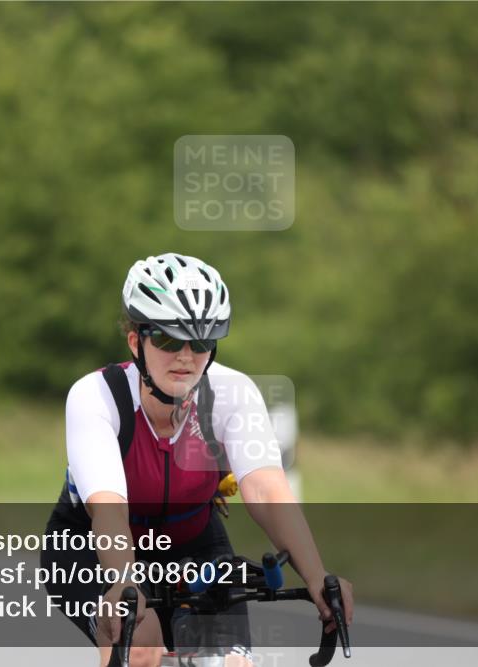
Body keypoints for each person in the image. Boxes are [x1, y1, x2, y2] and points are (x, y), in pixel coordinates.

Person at [41, 252, 353, 667]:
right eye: (169, 340)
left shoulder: (232, 394)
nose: (186, 356)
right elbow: (108, 508)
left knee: (230, 664)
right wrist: (124, 583)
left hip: (194, 546)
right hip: (92, 547)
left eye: (202, 342)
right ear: (136, 342)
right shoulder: (96, 396)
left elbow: (265, 489)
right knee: (141, 646)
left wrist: (317, 577)